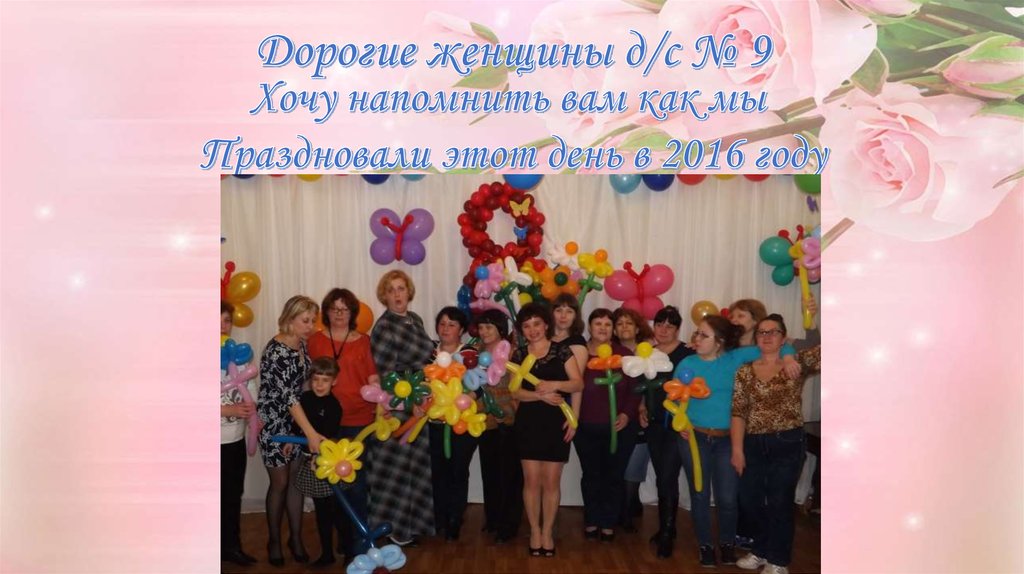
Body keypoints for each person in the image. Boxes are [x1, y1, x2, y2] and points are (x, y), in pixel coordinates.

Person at [674, 315, 800, 568]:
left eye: (703, 335)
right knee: (699, 494)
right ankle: (705, 545)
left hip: (726, 440)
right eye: (697, 333)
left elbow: (777, 345)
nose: (696, 338)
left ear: (719, 341)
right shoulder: (687, 362)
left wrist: (788, 358)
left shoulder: (735, 358)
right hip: (695, 438)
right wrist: (680, 423)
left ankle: (727, 543)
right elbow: (675, 398)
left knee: (728, 497)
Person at [728, 296, 819, 550]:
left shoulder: (795, 364)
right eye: (762, 332)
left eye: (773, 332)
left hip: (787, 443)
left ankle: (778, 560)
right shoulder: (745, 371)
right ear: (756, 337)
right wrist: (737, 450)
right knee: (751, 500)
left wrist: (812, 321)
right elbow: (738, 412)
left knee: (780, 502)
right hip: (753, 443)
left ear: (783, 338)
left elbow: (824, 349)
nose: (767, 336)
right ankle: (759, 551)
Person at [307, 288, 379, 558]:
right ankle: (336, 542)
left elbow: (372, 377)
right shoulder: (314, 341)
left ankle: (358, 545)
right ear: (326, 312)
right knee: (329, 487)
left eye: (344, 309)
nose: (339, 314)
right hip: (325, 423)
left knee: (355, 485)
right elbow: (308, 381)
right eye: (334, 309)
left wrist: (383, 402)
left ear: (352, 313)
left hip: (358, 419)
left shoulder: (364, 341)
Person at [368, 270, 436, 547]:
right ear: (384, 296)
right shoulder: (384, 327)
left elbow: (427, 358)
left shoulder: (415, 319)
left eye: (401, 288)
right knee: (394, 471)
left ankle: (413, 525)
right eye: (391, 290)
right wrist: (411, 400)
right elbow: (386, 376)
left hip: (419, 401)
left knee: (415, 468)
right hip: (396, 407)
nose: (397, 294)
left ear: (409, 292)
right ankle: (392, 527)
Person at [257, 295, 325, 567]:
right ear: (290, 319)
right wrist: (310, 433)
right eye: (305, 320)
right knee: (280, 483)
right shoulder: (277, 351)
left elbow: (303, 387)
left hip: (295, 421)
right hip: (274, 424)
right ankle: (274, 540)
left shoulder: (301, 345)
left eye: (312, 320)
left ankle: (295, 539)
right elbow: (288, 397)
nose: (310, 326)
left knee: (296, 481)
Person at [512, 302, 584, 557]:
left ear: (545, 325)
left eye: (536, 324)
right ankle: (534, 531)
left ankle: (547, 532)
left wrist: (553, 385)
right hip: (528, 422)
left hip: (557, 423)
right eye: (526, 326)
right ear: (522, 330)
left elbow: (578, 384)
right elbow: (515, 392)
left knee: (552, 482)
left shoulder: (562, 351)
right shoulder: (519, 354)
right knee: (531, 481)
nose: (532, 330)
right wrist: (539, 395)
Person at [574, 308, 641, 542]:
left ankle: (609, 521)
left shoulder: (624, 355)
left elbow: (635, 389)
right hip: (585, 427)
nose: (602, 328)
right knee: (591, 475)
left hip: (620, 427)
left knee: (614, 475)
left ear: (613, 329)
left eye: (607, 324)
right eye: (598, 323)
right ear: (589, 327)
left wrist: (627, 414)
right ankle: (592, 519)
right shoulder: (579, 353)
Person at [636, 305, 695, 558]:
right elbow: (643, 384)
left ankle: (668, 533)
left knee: (668, 476)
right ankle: (666, 527)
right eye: (659, 324)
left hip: (677, 425)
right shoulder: (649, 352)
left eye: (669, 326)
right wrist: (641, 407)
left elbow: (695, 387)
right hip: (654, 423)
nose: (663, 329)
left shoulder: (687, 353)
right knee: (662, 476)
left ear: (677, 329)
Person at [428, 306, 477, 541]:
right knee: (437, 472)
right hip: (433, 422)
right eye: (442, 323)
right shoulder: (429, 352)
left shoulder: (469, 353)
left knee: (458, 471)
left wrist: (465, 400)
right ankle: (439, 517)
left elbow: (479, 385)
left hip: (461, 423)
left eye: (452, 324)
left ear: (462, 330)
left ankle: (455, 518)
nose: (445, 328)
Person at [474, 310, 523, 544]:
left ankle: (508, 524)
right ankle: (492, 518)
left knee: (509, 476)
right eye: (481, 327)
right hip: (484, 421)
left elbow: (519, 386)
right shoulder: (476, 352)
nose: (484, 332)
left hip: (508, 422)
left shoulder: (512, 352)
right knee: (490, 473)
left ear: (500, 330)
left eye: (489, 327)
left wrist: (513, 410)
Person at [293, 358, 344, 567]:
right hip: (310, 461)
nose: (319, 385)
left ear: (334, 381)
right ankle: (327, 553)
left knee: (334, 508)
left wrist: (318, 457)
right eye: (316, 379)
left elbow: (328, 435)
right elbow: (298, 425)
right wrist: (291, 441)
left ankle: (344, 547)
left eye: (325, 380)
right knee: (322, 510)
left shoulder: (334, 406)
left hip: (327, 463)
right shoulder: (304, 399)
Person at [221, 301, 257, 567]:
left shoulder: (239, 355)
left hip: (235, 440)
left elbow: (252, 388)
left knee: (233, 495)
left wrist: (252, 408)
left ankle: (231, 547)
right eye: (217, 320)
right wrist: (228, 409)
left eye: (227, 321)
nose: (223, 326)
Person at [612, 307, 654, 532]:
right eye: (619, 324)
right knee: (617, 465)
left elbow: (650, 386)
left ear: (638, 328)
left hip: (641, 417)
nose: (624, 327)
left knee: (634, 467)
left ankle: (628, 511)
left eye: (629, 323)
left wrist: (642, 406)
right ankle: (621, 506)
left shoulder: (649, 353)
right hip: (616, 417)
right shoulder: (610, 354)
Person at [550, 293, 587, 445]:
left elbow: (577, 385)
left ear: (575, 316)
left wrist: (574, 416)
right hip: (537, 401)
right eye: (559, 310)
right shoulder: (542, 339)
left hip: (561, 405)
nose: (563, 316)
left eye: (569, 311)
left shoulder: (577, 342)